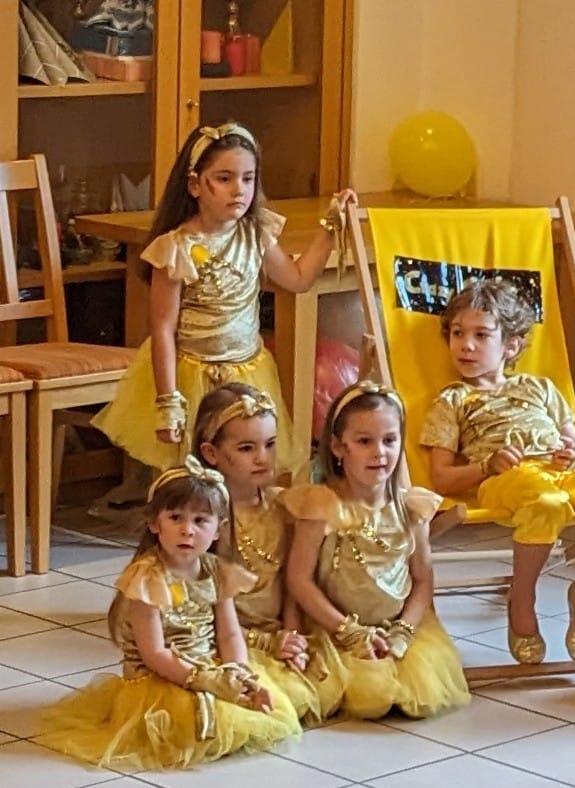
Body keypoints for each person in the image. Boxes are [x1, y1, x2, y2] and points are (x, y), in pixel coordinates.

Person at [93, 120, 356, 474]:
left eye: (248, 179)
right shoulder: (176, 247)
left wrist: (330, 227)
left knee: (246, 469)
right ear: (194, 184)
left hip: (247, 373)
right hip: (192, 377)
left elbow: (298, 280)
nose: (239, 190)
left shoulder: (256, 234)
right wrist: (168, 401)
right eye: (224, 178)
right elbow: (163, 329)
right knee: (193, 474)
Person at [420, 279, 575, 664]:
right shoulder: (454, 399)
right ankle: (521, 602)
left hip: (559, 474)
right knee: (546, 502)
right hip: (505, 479)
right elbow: (441, 478)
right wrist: (486, 466)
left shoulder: (540, 388)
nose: (466, 345)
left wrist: (570, 454)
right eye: (457, 334)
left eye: (481, 335)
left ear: (511, 345)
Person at [40, 458, 300, 769]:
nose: (187, 530)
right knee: (188, 721)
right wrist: (203, 679)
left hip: (208, 661)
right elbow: (154, 653)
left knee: (263, 699)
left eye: (200, 521)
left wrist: (238, 671)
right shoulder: (147, 578)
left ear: (219, 529)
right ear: (154, 523)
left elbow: (229, 633)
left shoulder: (217, 572)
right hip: (162, 676)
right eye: (176, 517)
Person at [283, 381, 470, 719]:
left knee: (409, 696)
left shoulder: (412, 507)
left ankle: (389, 657)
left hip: (395, 626)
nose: (379, 452)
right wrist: (348, 631)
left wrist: (404, 631)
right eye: (364, 442)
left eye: (389, 440)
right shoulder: (322, 505)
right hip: (335, 629)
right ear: (338, 447)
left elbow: (422, 579)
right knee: (370, 699)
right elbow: (299, 579)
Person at [195, 383, 346, 723]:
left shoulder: (285, 505)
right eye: (247, 448)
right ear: (211, 453)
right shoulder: (206, 520)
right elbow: (208, 604)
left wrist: (291, 634)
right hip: (229, 638)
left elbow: (292, 579)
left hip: (278, 631)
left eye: (270, 444)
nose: (262, 457)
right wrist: (263, 643)